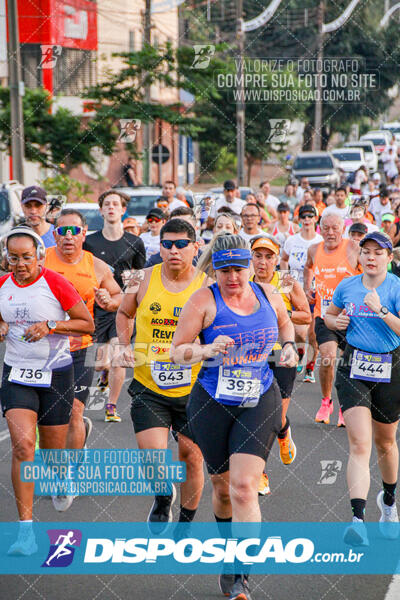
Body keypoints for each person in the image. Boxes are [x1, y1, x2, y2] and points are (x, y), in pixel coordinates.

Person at [171, 233, 297, 600]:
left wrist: (287, 345)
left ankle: (240, 573)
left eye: (239, 269)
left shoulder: (268, 294)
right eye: (224, 270)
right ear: (215, 270)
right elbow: (177, 352)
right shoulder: (202, 301)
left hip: (259, 395)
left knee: (244, 487)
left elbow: (286, 324)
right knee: (222, 489)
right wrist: (206, 348)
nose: (233, 278)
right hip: (212, 400)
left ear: (249, 267)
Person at [0, 227, 94, 555]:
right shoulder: (2, 285)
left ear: (39, 255)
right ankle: (25, 532)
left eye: (27, 257)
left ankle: (62, 474)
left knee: (53, 456)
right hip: (16, 375)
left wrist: (53, 325)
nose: (21, 263)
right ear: (6, 258)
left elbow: (87, 323)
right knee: (24, 447)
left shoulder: (54, 282)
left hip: (55, 376)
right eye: (14, 257)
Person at [116, 219, 206, 534]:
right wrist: (124, 345)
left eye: (181, 244)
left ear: (196, 247)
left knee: (190, 456)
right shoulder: (142, 279)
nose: (173, 250)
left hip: (194, 389)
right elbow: (124, 313)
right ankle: (163, 496)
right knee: (152, 456)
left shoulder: (207, 287)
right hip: (148, 383)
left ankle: (186, 520)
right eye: (167, 244)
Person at [325, 231, 400, 546]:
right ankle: (357, 520)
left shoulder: (396, 287)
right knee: (359, 444)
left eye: (378, 253)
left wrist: (382, 310)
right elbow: (328, 315)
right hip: (353, 365)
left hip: (391, 365)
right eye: (366, 252)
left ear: (389, 258)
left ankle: (389, 500)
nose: (371, 257)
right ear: (359, 257)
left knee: (385, 443)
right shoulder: (347, 286)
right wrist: (335, 323)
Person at [45, 209, 122, 511]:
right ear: (55, 235)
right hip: (42, 350)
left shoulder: (96, 266)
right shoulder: (41, 260)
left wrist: (109, 301)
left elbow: (118, 296)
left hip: (79, 348)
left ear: (83, 233)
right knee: (50, 417)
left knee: (74, 412)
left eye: (74, 231)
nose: (68, 237)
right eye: (62, 231)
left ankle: (69, 477)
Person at [250, 234, 311, 495]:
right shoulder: (243, 282)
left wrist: (282, 314)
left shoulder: (286, 282)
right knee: (253, 416)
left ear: (277, 259)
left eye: (268, 256)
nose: (262, 262)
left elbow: (306, 315)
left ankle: (284, 431)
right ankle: (259, 473)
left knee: (276, 416)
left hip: (282, 355)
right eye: (257, 256)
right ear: (250, 258)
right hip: (251, 357)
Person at [83, 191, 146, 421]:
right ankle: (103, 379)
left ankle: (110, 406)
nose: (111, 207)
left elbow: (140, 276)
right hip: (97, 308)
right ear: (100, 210)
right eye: (106, 204)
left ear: (122, 210)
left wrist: (134, 292)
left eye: (115, 204)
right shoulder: (90, 242)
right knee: (101, 361)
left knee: (119, 355)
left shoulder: (135, 242)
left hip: (124, 308)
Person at [304, 213, 361, 426]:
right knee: (328, 357)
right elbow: (308, 267)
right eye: (326, 228)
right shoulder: (313, 250)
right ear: (320, 229)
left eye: (334, 228)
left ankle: (345, 407)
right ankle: (326, 401)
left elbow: (369, 274)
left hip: (351, 317)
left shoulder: (353, 248)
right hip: (325, 315)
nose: (330, 233)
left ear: (342, 229)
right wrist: (307, 285)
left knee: (348, 363)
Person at [281, 204, 323, 382]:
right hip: (295, 291)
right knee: (299, 333)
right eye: (303, 217)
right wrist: (286, 283)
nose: (306, 220)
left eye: (310, 217)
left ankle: (310, 369)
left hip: (315, 292)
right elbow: (283, 260)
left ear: (315, 219)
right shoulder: (292, 240)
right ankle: (299, 353)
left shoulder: (320, 241)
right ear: (299, 220)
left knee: (313, 335)